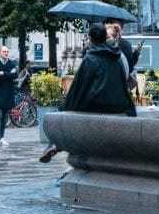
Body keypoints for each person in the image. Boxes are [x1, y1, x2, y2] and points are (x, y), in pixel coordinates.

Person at [40, 23, 135, 163]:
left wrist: (67, 105)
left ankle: (56, 144)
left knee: (69, 108)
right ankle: (57, 145)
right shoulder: (117, 56)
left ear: (90, 38)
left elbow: (79, 87)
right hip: (118, 105)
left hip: (96, 105)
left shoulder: (91, 58)